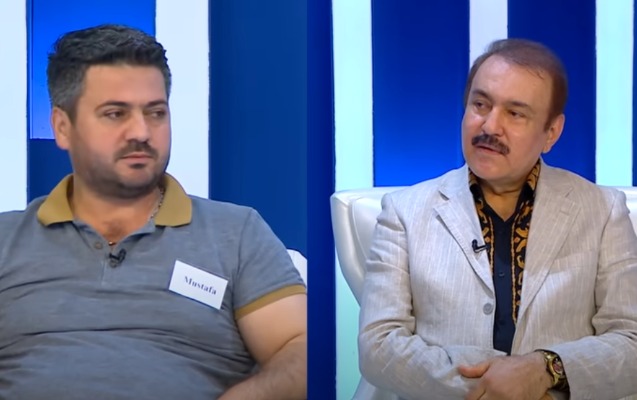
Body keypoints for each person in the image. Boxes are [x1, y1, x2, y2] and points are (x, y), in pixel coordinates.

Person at [0, 24, 306, 400]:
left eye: (156, 113)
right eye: (116, 114)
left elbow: (301, 350)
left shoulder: (237, 233)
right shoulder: (6, 240)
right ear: (63, 128)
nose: (141, 132)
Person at [358, 38, 637, 400]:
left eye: (515, 113)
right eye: (480, 104)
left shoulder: (603, 211)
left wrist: (543, 371)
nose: (490, 126)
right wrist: (495, 385)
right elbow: (378, 346)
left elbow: (631, 341)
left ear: (551, 132)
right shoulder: (404, 212)